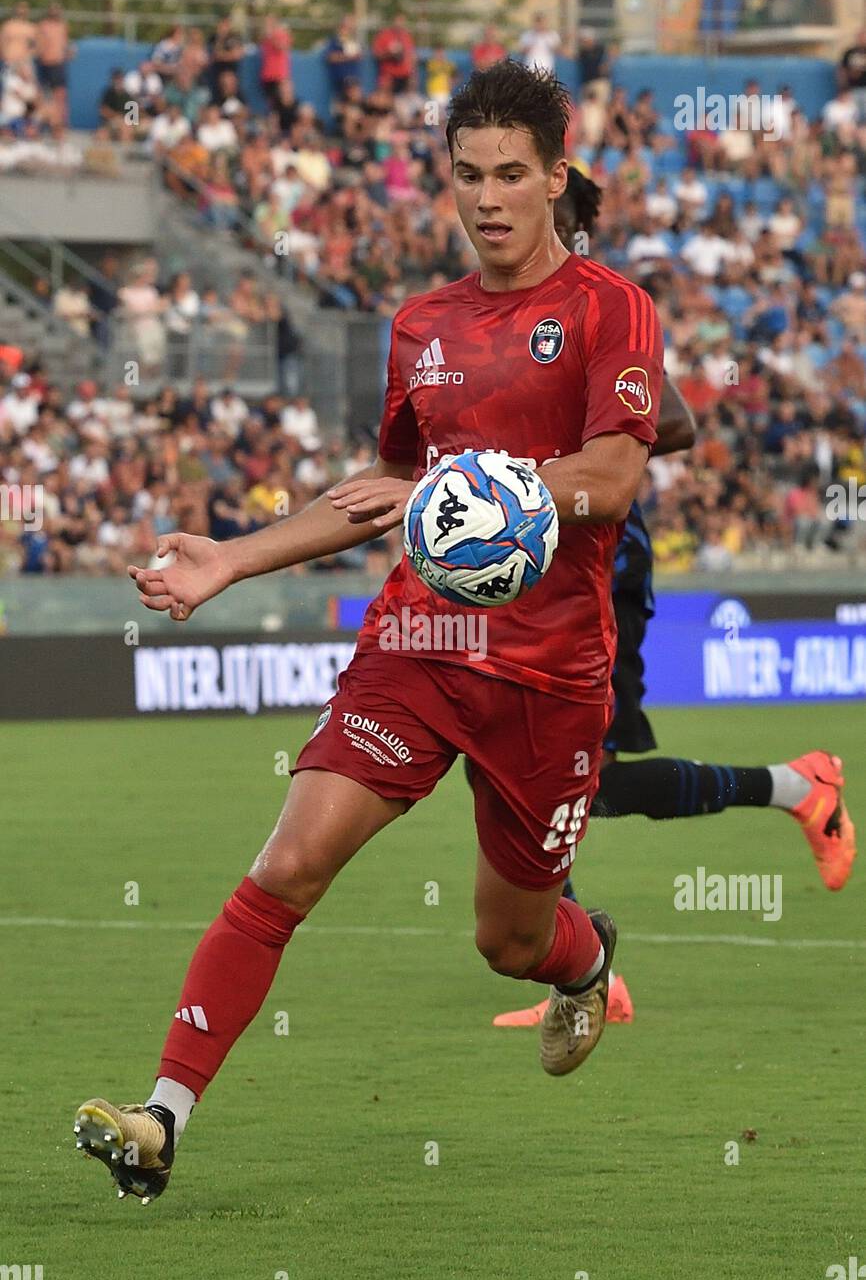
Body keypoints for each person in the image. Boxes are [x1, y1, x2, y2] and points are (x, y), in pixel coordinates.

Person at [76, 60, 667, 1201]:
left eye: (509, 175)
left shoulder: (609, 309)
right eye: (464, 176)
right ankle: (160, 1117)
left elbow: (608, 478)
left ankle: (585, 958)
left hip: (549, 678)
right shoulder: (421, 327)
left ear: (555, 178)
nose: (486, 198)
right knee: (289, 862)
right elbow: (387, 484)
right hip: (419, 649)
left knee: (506, 939)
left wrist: (476, 493)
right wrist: (232, 558)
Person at [491, 166, 857, 1029]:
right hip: (535, 565)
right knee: (513, 759)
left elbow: (680, 422)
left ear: (564, 214)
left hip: (600, 566)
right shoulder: (512, 312)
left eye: (522, 193)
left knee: (589, 780)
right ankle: (585, 974)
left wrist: (571, 458)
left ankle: (798, 787)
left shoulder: (599, 305)